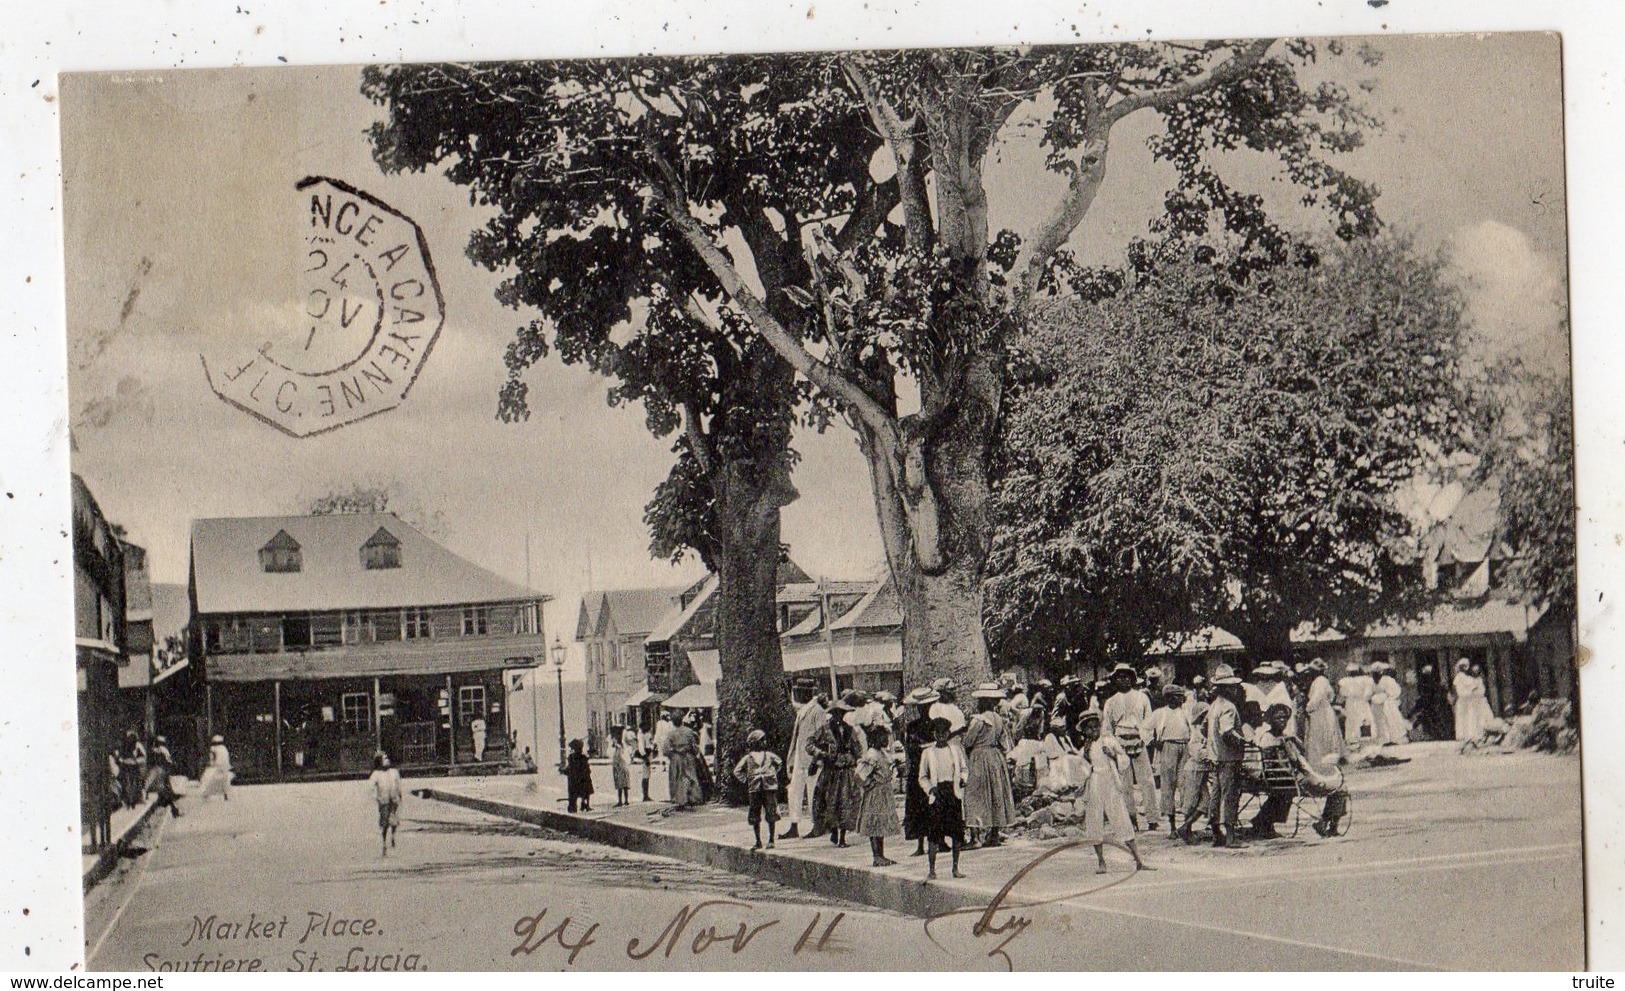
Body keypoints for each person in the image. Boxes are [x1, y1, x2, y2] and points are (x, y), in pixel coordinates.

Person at [1250, 704, 1350, 838]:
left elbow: (1301, 753)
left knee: (1338, 785)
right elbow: (1283, 764)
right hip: (1289, 779)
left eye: (1284, 718)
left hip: (1288, 778)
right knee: (1340, 788)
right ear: (1270, 720)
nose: (1282, 721)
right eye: (1278, 718)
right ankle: (1327, 823)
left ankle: (1327, 823)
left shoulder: (1283, 737)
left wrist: (1293, 741)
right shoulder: (1271, 739)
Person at [1076, 711, 1154, 874]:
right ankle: (1101, 861)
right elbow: (1083, 770)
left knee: (1121, 818)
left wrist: (1113, 755)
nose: (1093, 730)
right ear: (1084, 731)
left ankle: (1138, 859)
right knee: (1094, 820)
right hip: (1095, 782)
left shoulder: (1109, 741)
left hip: (1111, 782)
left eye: (1095, 726)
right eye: (1089, 728)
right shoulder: (1086, 748)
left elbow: (1125, 761)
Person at [1101, 663, 1158, 829]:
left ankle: (1152, 818)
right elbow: (1107, 728)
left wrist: (1144, 739)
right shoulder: (1111, 702)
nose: (1123, 680)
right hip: (1120, 742)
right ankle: (1130, 819)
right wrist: (1113, 746)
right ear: (1115, 680)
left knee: (1146, 781)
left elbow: (1148, 721)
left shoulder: (1142, 697)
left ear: (1132, 679)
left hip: (1139, 739)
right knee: (1124, 783)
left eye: (1126, 676)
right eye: (1120, 677)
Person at [962, 684, 1017, 848]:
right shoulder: (999, 719)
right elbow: (1004, 743)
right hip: (995, 756)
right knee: (996, 793)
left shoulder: (979, 720)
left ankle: (975, 837)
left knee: (975, 794)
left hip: (980, 756)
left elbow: (968, 741)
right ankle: (993, 833)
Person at [807, 698, 865, 847]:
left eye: (842, 713)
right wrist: (820, 753)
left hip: (846, 771)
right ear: (833, 714)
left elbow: (858, 749)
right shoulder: (824, 729)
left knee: (845, 802)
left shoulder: (850, 729)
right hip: (831, 771)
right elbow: (809, 744)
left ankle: (843, 837)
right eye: (837, 713)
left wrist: (856, 759)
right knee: (829, 802)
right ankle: (833, 830)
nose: (840, 716)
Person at [917, 717, 967, 881]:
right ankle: (932, 870)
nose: (941, 735)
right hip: (937, 793)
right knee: (934, 833)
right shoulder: (928, 753)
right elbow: (922, 776)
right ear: (934, 734)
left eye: (944, 732)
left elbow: (964, 769)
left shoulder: (955, 750)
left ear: (948, 733)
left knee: (956, 832)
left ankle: (955, 868)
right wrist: (930, 788)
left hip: (952, 792)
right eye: (938, 732)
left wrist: (963, 779)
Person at [1205, 667, 1248, 848]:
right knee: (1230, 795)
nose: (1235, 689)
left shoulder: (1214, 706)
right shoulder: (1229, 707)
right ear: (1226, 688)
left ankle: (1216, 834)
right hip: (1229, 757)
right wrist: (1243, 741)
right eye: (1231, 687)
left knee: (1216, 795)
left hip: (1215, 756)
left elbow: (1205, 728)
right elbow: (1226, 732)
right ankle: (1230, 836)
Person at [783, 685, 827, 840]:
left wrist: (818, 759)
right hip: (799, 758)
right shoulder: (802, 711)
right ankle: (794, 825)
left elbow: (822, 737)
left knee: (813, 792)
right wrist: (792, 758)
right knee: (794, 792)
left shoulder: (818, 711)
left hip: (812, 759)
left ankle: (817, 825)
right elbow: (797, 738)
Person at [855, 724, 902, 866]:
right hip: (876, 793)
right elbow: (859, 774)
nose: (886, 740)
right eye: (883, 737)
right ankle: (876, 855)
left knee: (880, 824)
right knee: (874, 823)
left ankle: (881, 855)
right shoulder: (871, 755)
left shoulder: (881, 753)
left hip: (883, 791)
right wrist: (870, 784)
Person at [1149, 685, 1192, 834]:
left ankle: (1187, 825)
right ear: (1168, 698)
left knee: (1185, 785)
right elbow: (1144, 728)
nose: (1180, 699)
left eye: (1181, 696)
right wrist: (1152, 742)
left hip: (1185, 747)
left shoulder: (1186, 712)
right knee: (1168, 785)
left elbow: (1194, 730)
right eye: (1176, 696)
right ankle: (1172, 827)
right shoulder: (1160, 713)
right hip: (1168, 747)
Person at [900, 687, 937, 856]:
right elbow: (910, 747)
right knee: (918, 805)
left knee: (933, 805)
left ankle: (935, 842)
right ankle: (921, 844)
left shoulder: (937, 724)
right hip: (918, 768)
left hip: (933, 768)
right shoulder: (912, 726)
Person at [732, 729, 784, 850]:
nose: (764, 742)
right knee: (755, 814)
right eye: (761, 740)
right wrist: (746, 780)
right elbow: (737, 771)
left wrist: (773, 774)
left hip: (768, 787)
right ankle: (758, 840)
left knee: (771, 812)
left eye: (764, 740)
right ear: (754, 743)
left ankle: (771, 840)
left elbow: (779, 763)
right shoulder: (748, 758)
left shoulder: (769, 755)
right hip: (755, 789)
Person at [1301, 658, 1345, 768]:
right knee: (1325, 731)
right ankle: (1325, 756)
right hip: (1322, 708)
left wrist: (1308, 708)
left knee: (1323, 731)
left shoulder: (1320, 680)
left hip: (1320, 710)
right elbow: (1331, 696)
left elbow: (1317, 697)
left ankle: (1325, 756)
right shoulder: (1321, 680)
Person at [663, 715, 704, 809]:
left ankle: (680, 799)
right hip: (688, 756)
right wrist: (694, 753)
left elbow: (665, 749)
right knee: (691, 776)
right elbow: (694, 745)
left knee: (677, 778)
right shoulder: (689, 731)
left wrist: (672, 753)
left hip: (676, 758)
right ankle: (694, 798)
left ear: (673, 722)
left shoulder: (671, 734)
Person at [368, 752, 403, 856]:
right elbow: (371, 786)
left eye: (387, 758)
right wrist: (375, 797)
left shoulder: (394, 772)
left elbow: (398, 785)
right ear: (379, 761)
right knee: (384, 822)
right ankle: (384, 842)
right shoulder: (376, 774)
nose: (387, 760)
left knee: (394, 820)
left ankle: (392, 836)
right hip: (383, 800)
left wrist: (400, 795)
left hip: (394, 799)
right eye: (384, 759)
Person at [1370, 662, 1409, 746]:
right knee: (1380, 721)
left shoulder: (1387, 679)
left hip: (1388, 703)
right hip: (1377, 704)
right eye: (1375, 672)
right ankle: (1385, 738)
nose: (1376, 674)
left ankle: (1394, 738)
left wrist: (1386, 696)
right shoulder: (1372, 682)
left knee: (1391, 719)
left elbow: (1396, 691)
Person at [1339, 662, 1377, 750]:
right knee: (1359, 719)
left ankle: (1357, 740)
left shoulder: (1347, 681)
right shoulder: (1365, 680)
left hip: (1354, 702)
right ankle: (1359, 740)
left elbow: (1343, 693)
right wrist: (1364, 698)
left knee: (1358, 720)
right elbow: (1368, 692)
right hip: (1359, 702)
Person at [145, 735, 182, 818]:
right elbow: (169, 760)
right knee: (166, 790)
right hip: (163, 770)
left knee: (165, 790)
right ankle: (174, 809)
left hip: (159, 771)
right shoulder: (163, 750)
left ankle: (174, 809)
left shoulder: (154, 750)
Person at [116, 730, 147, 809]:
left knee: (135, 782)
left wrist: (135, 761)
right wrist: (123, 760)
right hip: (126, 767)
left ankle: (133, 800)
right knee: (127, 783)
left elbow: (143, 757)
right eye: (128, 738)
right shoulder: (124, 746)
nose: (130, 739)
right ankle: (129, 800)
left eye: (131, 738)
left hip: (134, 767)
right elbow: (119, 756)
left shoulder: (138, 745)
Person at [197, 734, 233, 801]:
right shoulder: (224, 748)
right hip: (224, 768)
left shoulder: (213, 749)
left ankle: (206, 794)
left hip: (216, 767)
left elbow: (212, 759)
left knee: (207, 779)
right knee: (224, 782)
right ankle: (225, 795)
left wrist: (211, 764)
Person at [566, 738, 594, 813]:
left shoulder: (571, 757)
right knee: (586, 791)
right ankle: (585, 804)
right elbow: (587, 768)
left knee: (573, 793)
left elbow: (569, 768)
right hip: (583, 778)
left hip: (574, 779)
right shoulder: (583, 757)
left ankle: (573, 806)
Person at [610, 728, 632, 806]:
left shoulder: (619, 747)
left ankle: (621, 801)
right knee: (624, 784)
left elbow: (619, 757)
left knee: (620, 785)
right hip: (623, 766)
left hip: (620, 767)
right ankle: (625, 800)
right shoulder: (621, 746)